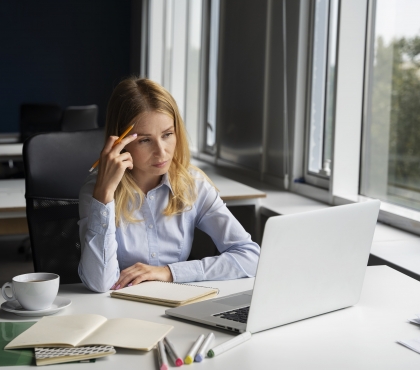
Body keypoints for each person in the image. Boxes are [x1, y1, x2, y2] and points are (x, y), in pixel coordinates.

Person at [78, 77, 260, 293]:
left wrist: (169, 272)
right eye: (145, 140)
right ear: (120, 142)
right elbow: (100, 283)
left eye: (167, 135)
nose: (162, 151)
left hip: (174, 304)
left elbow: (250, 257)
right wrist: (105, 193)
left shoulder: (193, 185)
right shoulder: (96, 191)